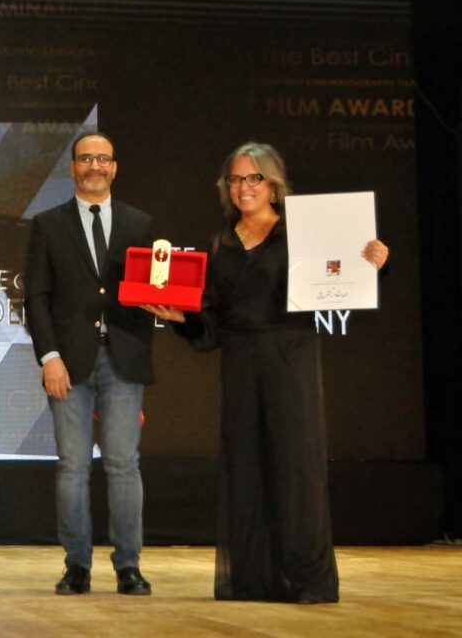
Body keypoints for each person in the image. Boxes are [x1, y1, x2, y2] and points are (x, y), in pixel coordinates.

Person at [144, 142, 389, 604]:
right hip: (240, 361)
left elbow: (343, 281)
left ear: (273, 185)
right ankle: (252, 580)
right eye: (236, 179)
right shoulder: (222, 243)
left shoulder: (302, 233)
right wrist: (183, 318)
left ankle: (306, 579)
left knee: (295, 466)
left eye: (254, 178)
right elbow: (211, 325)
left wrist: (374, 264)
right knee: (247, 466)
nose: (244, 187)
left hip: (290, 357)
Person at [23, 132, 155, 596]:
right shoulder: (47, 224)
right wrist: (49, 356)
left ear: (114, 167)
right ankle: (76, 565)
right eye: (85, 159)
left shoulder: (141, 223)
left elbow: (153, 289)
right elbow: (36, 297)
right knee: (72, 466)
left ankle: (129, 566)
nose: (94, 166)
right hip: (67, 363)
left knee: (123, 464)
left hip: (124, 359)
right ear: (72, 167)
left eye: (102, 159)